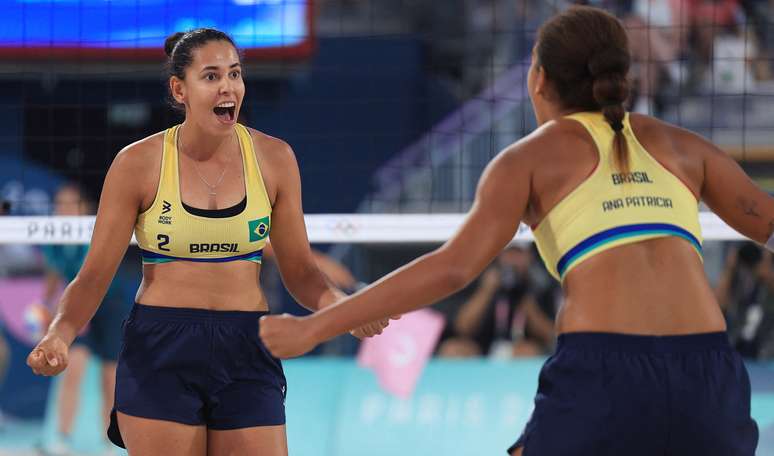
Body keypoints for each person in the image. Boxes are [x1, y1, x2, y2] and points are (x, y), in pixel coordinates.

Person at [259, 6, 761, 455]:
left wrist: (312, 327)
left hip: (606, 372)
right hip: (708, 373)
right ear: (620, 76)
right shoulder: (683, 146)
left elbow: (451, 269)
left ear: (537, 80)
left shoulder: (529, 158)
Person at [26, 28, 388, 456]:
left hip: (248, 343)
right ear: (179, 89)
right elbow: (92, 278)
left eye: (235, 75)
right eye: (212, 76)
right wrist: (59, 334)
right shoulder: (137, 163)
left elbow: (302, 273)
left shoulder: (274, 159)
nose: (228, 87)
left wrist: (342, 309)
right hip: (162, 345)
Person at [34, 184, 131, 455]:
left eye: (70, 203)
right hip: (78, 305)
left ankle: (108, 442)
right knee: (71, 368)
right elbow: (54, 276)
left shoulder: (95, 230)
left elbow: (92, 280)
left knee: (109, 378)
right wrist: (43, 307)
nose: (64, 209)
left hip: (109, 305)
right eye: (59, 204)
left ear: (83, 209)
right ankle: (61, 440)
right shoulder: (51, 236)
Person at [437, 245, 555, 358]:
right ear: (499, 256)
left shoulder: (541, 286)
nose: (513, 261)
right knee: (452, 349)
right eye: (509, 254)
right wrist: (486, 291)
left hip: (519, 348)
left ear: (530, 257)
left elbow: (550, 335)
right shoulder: (481, 280)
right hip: (482, 348)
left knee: (527, 352)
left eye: (518, 254)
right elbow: (462, 327)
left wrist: (527, 303)